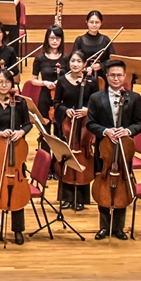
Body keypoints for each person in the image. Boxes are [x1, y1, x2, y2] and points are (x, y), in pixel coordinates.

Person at [87, 60, 141, 238]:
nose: (116, 78)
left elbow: (140, 123)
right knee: (102, 185)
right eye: (112, 75)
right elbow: (90, 123)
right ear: (106, 76)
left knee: (122, 185)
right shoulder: (96, 98)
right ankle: (104, 226)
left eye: (119, 75)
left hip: (125, 150)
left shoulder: (134, 98)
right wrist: (105, 131)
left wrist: (127, 131)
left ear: (125, 76)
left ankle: (118, 228)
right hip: (104, 150)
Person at [0, 71, 34, 243]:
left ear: (12, 84)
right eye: (0, 82)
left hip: (15, 152)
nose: (4, 85)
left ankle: (18, 229)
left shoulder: (20, 103)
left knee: (17, 188)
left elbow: (28, 124)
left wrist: (21, 132)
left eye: (7, 82)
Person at [53, 50, 95, 210]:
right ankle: (66, 197)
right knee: (66, 157)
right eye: (73, 61)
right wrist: (65, 110)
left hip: (84, 125)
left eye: (79, 61)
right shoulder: (62, 81)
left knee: (83, 157)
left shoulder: (91, 81)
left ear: (84, 64)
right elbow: (56, 102)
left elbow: (97, 102)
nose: (75, 64)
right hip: (67, 125)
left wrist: (87, 110)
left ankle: (81, 198)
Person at [74, 10, 114, 80]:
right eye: (91, 22)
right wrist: (84, 68)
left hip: (103, 76)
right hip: (83, 76)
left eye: (97, 22)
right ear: (87, 22)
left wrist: (101, 65)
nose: (94, 25)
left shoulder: (106, 40)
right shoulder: (79, 40)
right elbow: (74, 59)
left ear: (101, 23)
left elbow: (112, 59)